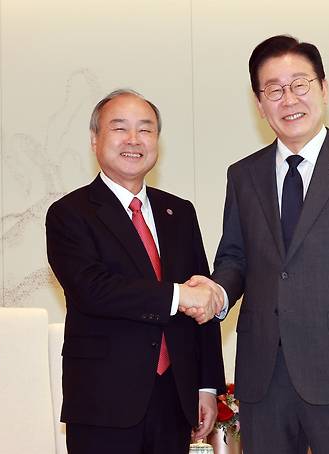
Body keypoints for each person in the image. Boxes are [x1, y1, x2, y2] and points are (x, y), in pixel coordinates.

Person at [189, 35, 329, 453]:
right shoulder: (243, 175)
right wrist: (217, 293)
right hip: (263, 373)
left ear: (323, 89)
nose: (288, 99)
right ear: (260, 104)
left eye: (299, 84)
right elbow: (235, 258)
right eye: (274, 89)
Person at [46, 89, 226, 454]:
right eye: (119, 128)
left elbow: (201, 296)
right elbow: (93, 289)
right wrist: (178, 295)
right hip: (103, 402)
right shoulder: (70, 213)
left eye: (145, 129)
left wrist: (207, 387)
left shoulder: (180, 212)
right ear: (95, 139)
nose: (133, 139)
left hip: (174, 399)